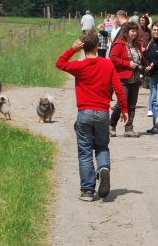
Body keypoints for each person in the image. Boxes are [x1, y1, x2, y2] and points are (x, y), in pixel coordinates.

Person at [56, 30, 128, 202]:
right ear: (98, 46)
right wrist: (124, 109)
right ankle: (103, 168)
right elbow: (118, 88)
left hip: (84, 113)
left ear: (82, 47)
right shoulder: (108, 64)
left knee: (85, 152)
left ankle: (88, 191)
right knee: (102, 147)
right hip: (103, 113)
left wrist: (72, 49)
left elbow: (59, 63)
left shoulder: (78, 66)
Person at [108, 21, 143, 138]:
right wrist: (127, 64)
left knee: (132, 104)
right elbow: (113, 58)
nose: (134, 33)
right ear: (126, 32)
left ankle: (129, 128)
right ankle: (111, 125)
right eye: (132, 31)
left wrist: (146, 66)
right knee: (121, 103)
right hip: (122, 78)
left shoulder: (137, 45)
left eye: (135, 30)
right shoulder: (119, 44)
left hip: (135, 78)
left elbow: (141, 60)